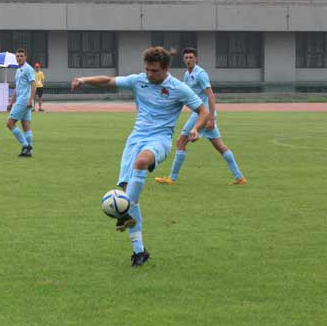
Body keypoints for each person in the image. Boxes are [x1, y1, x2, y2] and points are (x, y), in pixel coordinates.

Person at [71, 46, 210, 267]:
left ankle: (123, 214)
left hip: (160, 140)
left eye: (154, 70)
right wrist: (84, 79)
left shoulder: (178, 88)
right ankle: (139, 251)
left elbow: (203, 111)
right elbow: (108, 81)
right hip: (135, 140)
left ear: (165, 69)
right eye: (146, 69)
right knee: (128, 195)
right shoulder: (139, 80)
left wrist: (196, 129)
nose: (149, 74)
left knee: (141, 164)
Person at [155, 47, 246, 186]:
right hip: (201, 113)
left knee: (180, 142)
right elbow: (184, 93)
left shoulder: (200, 74)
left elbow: (210, 95)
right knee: (220, 146)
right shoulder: (187, 74)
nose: (188, 60)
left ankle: (172, 178)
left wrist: (211, 117)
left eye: (191, 57)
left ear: (196, 59)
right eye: (186, 58)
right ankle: (239, 177)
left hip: (203, 114)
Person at [6, 49, 36, 158]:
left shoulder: (28, 69)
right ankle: (28, 152)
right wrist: (11, 101)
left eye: (21, 56)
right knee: (26, 126)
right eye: (17, 56)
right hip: (20, 100)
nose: (19, 58)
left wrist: (30, 100)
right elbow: (17, 88)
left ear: (25, 57)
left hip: (24, 100)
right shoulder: (18, 70)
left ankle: (26, 145)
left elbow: (33, 85)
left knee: (9, 123)